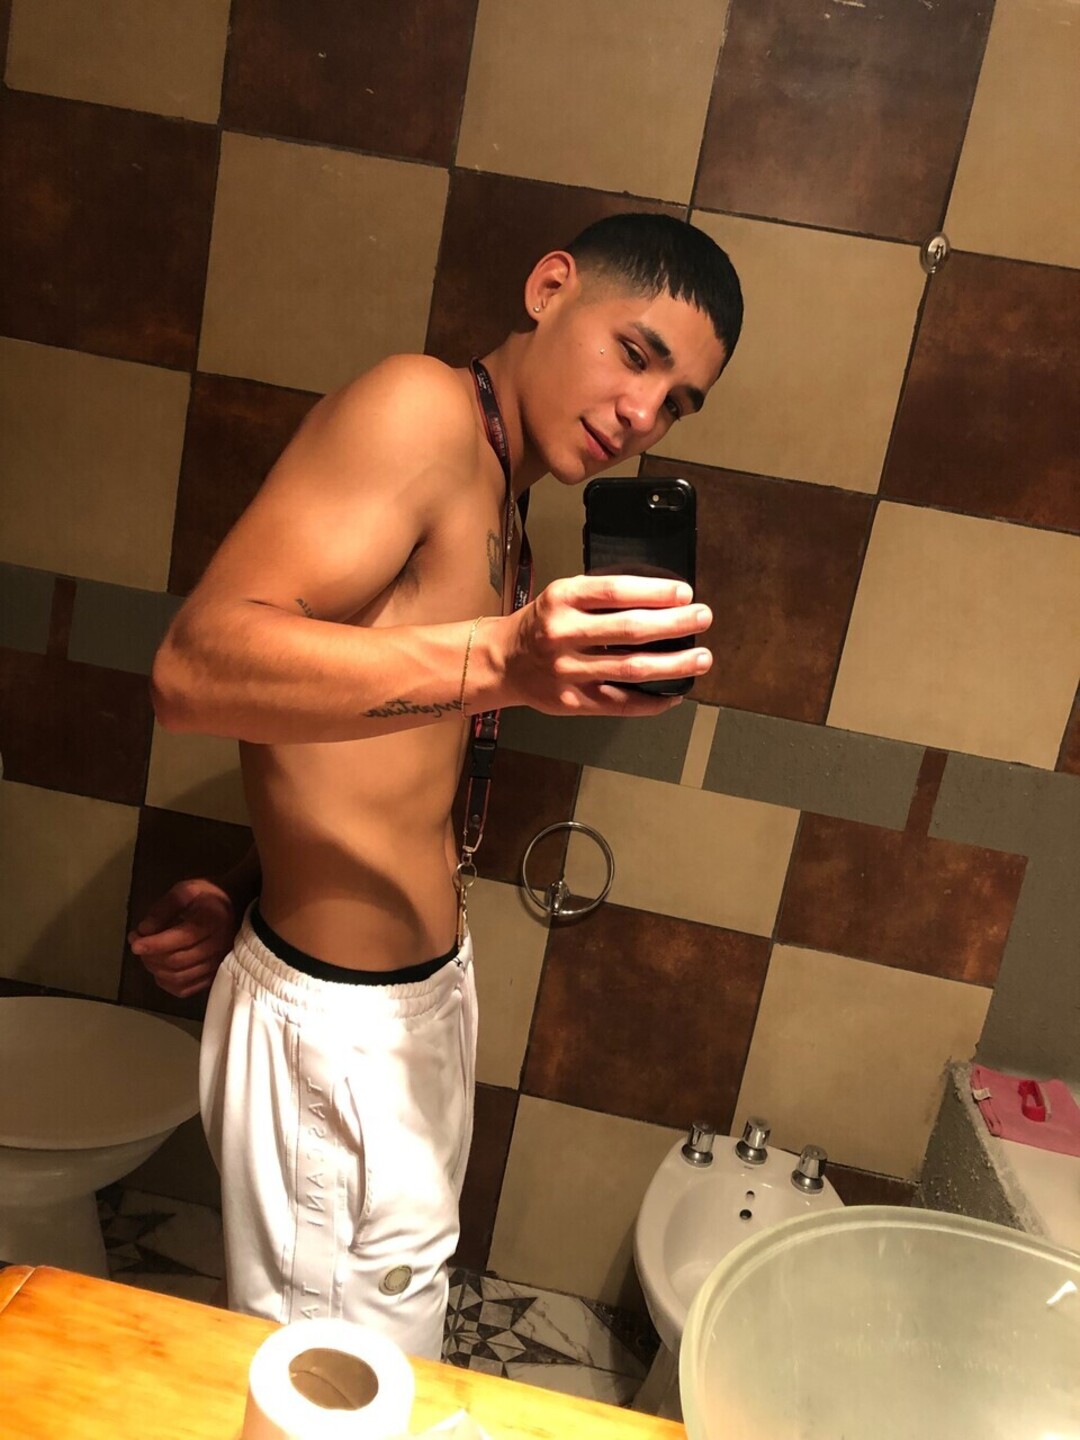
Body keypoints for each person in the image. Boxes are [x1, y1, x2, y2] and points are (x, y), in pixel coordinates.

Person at [130, 212, 743, 1358]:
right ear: (550, 288)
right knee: (330, 1395)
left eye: (677, 404)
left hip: (403, 1007)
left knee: (375, 1366)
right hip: (337, 1032)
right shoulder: (419, 409)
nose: (641, 415)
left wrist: (250, 883)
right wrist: (502, 660)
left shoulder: (502, 489)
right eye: (635, 355)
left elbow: (366, 761)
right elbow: (194, 669)